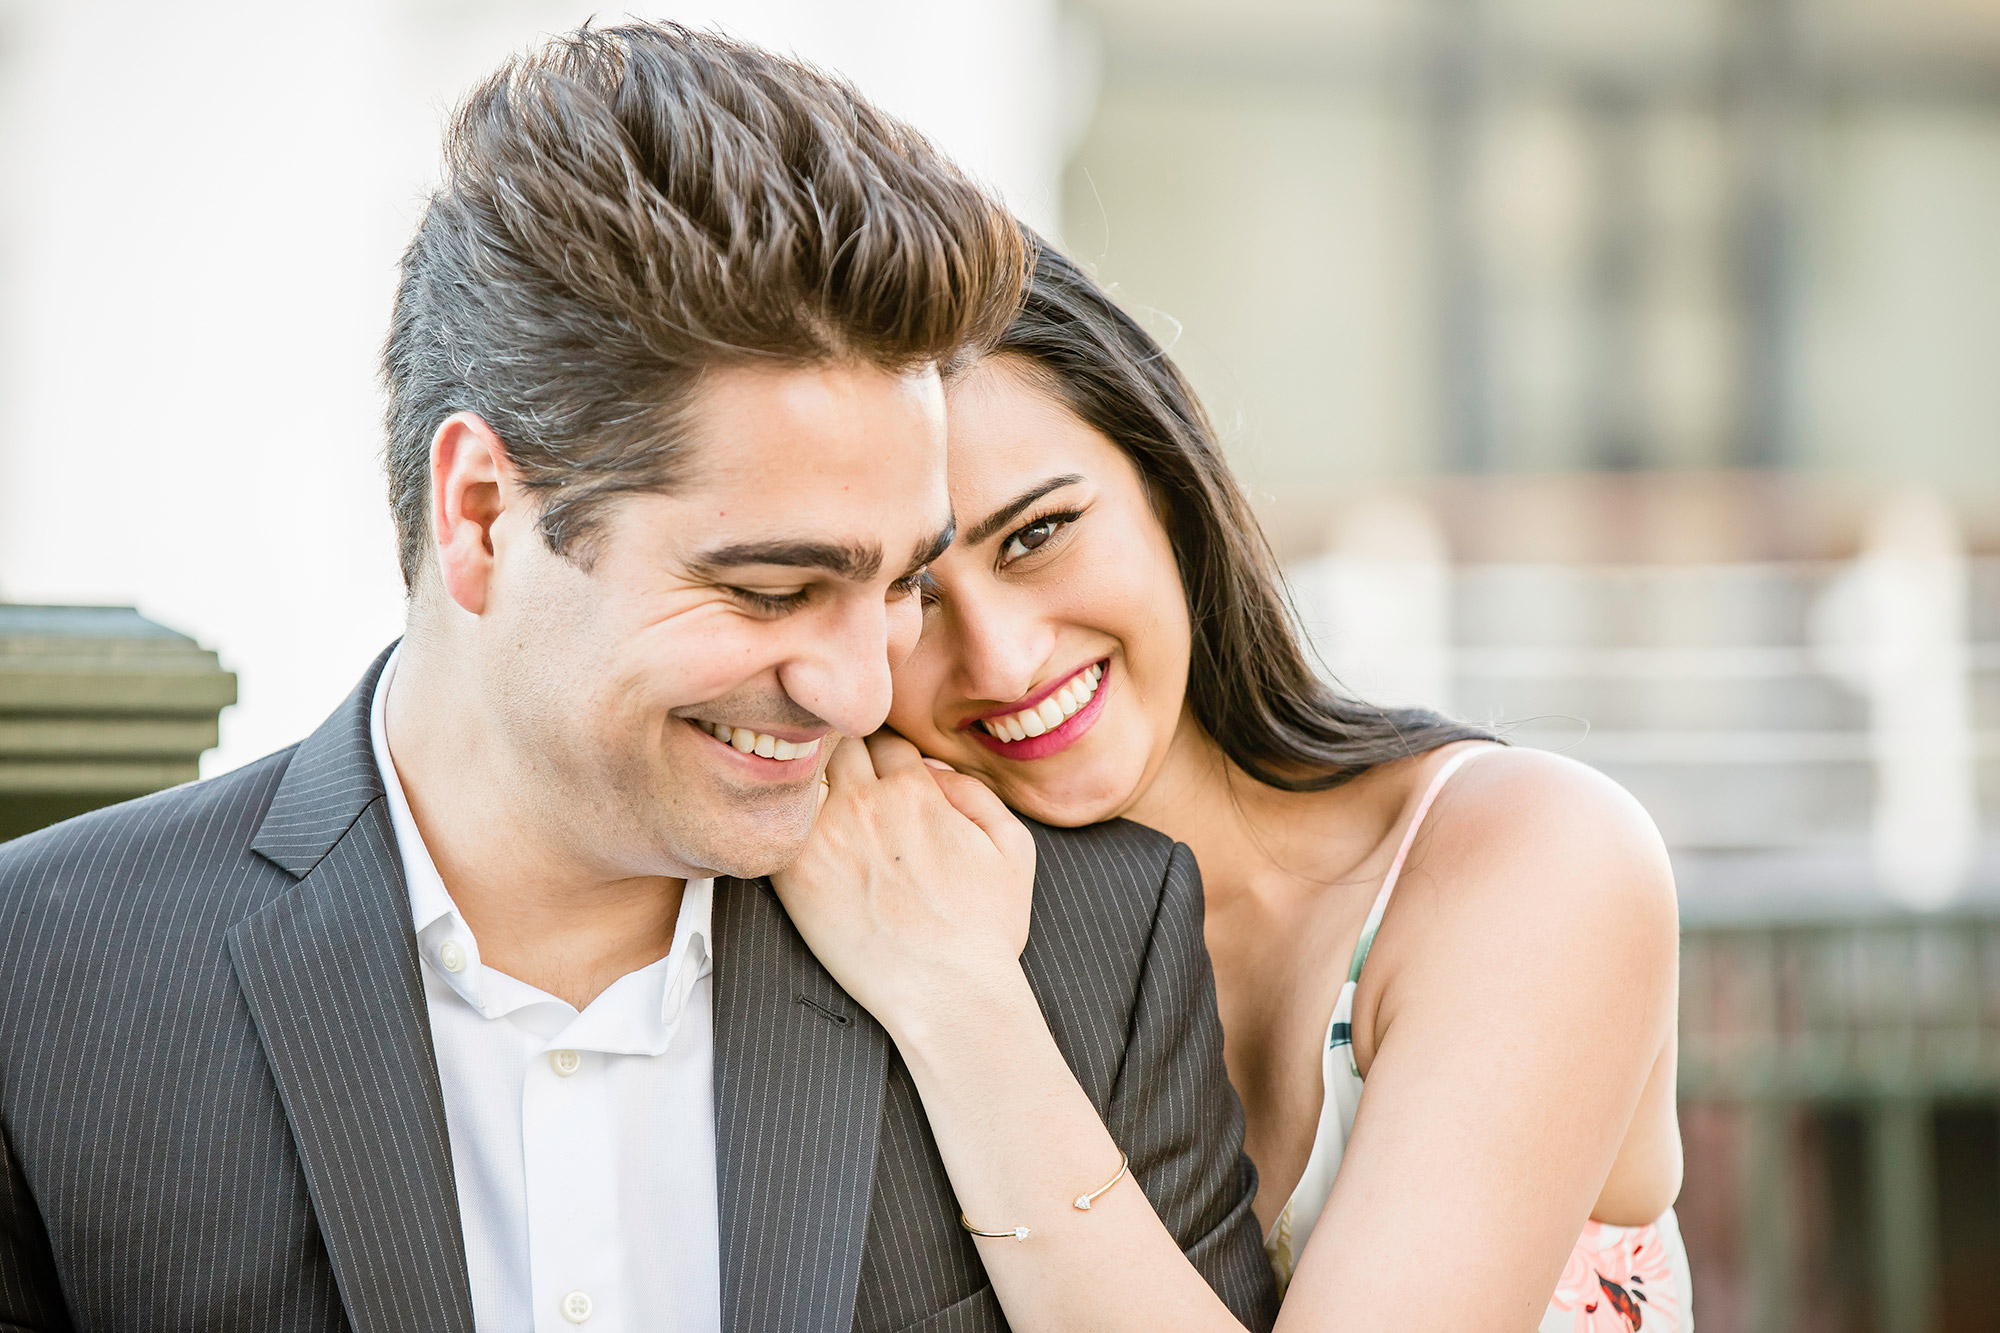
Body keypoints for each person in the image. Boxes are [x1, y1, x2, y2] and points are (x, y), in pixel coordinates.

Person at [0, 29, 1278, 1333]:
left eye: (900, 583)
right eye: (771, 589)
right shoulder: (42, 980)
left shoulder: (1084, 942)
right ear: (483, 513)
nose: (854, 690)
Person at [774, 240, 1693, 1331]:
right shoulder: (884, 907)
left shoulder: (1536, 860)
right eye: (911, 593)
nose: (1003, 658)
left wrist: (955, 999)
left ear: (1168, 490)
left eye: (1038, 534)